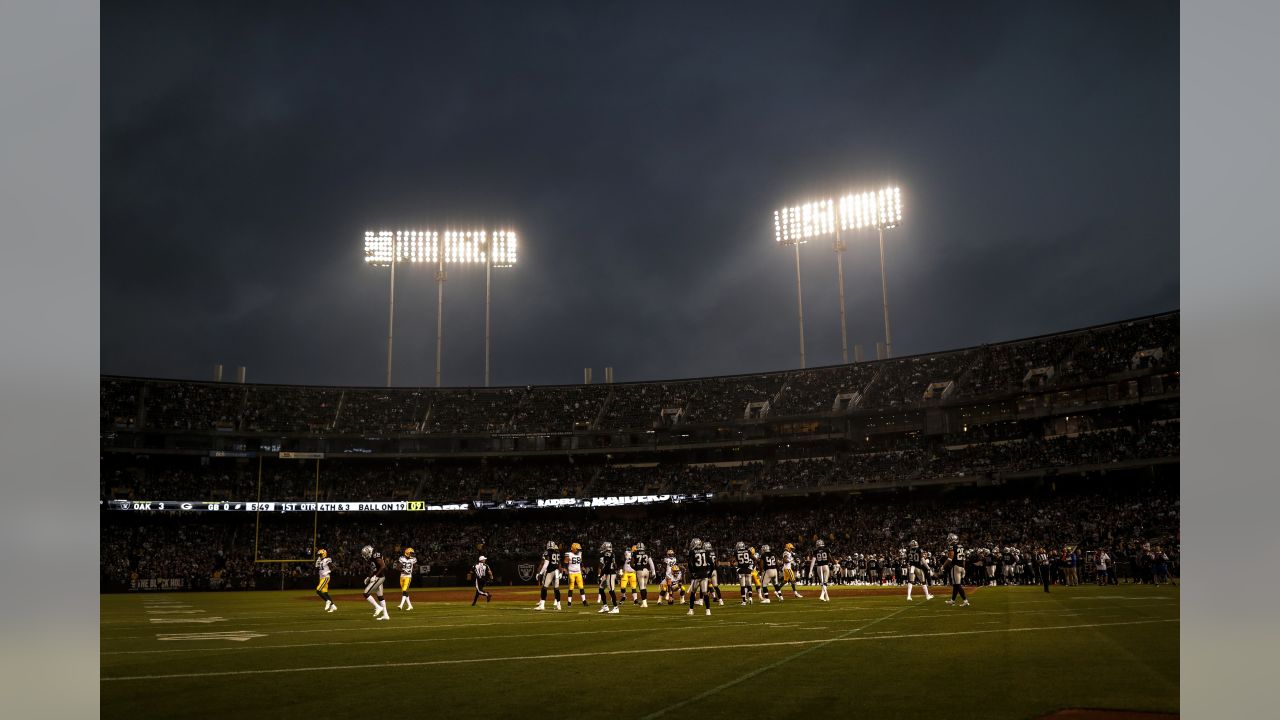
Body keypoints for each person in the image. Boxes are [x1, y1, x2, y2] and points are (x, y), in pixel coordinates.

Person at [685, 538, 713, 616]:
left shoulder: (692, 552)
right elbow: (712, 564)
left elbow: (690, 563)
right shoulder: (706, 551)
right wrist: (709, 573)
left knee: (693, 592)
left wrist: (692, 572)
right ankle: (708, 611)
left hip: (697, 575)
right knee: (705, 592)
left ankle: (691, 610)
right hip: (704, 575)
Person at [361, 545, 390, 620]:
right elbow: (374, 570)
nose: (365, 556)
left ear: (370, 552)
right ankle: (385, 615)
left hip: (379, 577)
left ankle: (378, 607)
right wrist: (369, 577)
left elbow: (383, 566)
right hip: (378, 577)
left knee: (366, 593)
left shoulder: (376, 555)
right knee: (380, 596)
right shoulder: (371, 558)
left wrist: (375, 576)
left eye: (366, 553)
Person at [942, 533, 970, 607]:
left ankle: (965, 601)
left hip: (956, 567)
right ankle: (952, 601)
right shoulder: (961, 546)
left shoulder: (952, 546)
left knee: (957, 585)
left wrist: (943, 566)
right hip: (961, 566)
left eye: (949, 539)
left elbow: (950, 558)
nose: (948, 540)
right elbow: (963, 558)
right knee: (955, 585)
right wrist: (964, 568)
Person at [534, 541, 563, 611]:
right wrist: (561, 572)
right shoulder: (557, 552)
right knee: (556, 589)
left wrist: (540, 573)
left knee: (544, 588)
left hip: (550, 572)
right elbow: (559, 563)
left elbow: (546, 564)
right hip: (557, 571)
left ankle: (542, 605)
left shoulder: (547, 552)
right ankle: (559, 605)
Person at [596, 541, 620, 614]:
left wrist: (600, 575)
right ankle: (605, 606)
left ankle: (616, 607)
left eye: (604, 546)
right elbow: (615, 565)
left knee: (611, 590)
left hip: (610, 573)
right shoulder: (611, 553)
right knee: (601, 589)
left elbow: (606, 566)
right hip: (608, 573)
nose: (602, 547)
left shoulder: (607, 554)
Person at [633, 542, 657, 608]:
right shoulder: (647, 553)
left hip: (640, 571)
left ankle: (644, 603)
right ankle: (645, 601)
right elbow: (651, 563)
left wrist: (635, 567)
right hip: (647, 570)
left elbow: (632, 563)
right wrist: (653, 572)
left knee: (642, 587)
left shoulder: (635, 553)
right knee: (645, 587)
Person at [564, 542, 587, 607]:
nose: (578, 550)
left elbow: (581, 562)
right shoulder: (568, 554)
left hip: (578, 572)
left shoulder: (580, 553)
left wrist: (582, 567)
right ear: (573, 548)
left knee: (581, 587)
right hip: (571, 572)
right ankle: (569, 602)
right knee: (571, 587)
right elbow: (565, 563)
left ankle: (584, 601)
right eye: (577, 549)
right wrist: (565, 570)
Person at [314, 548, 336, 612]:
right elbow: (316, 568)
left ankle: (328, 601)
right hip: (321, 578)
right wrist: (317, 562)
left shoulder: (327, 560)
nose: (319, 556)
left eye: (320, 555)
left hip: (326, 577)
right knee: (325, 593)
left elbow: (334, 567)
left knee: (318, 590)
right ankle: (333, 606)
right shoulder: (320, 560)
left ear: (323, 554)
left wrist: (328, 571)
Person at [734, 541, 755, 605]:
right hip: (748, 570)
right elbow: (755, 559)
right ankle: (750, 598)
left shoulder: (736, 552)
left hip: (741, 570)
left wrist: (736, 568)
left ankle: (744, 601)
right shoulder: (748, 551)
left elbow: (733, 562)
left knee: (742, 586)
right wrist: (752, 568)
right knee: (749, 585)